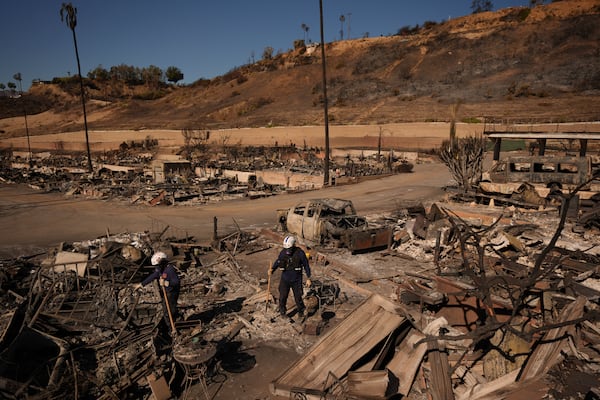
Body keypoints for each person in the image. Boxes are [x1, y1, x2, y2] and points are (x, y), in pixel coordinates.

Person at [269, 235, 312, 318]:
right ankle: (282, 312)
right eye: (286, 249)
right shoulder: (283, 253)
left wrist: (308, 278)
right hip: (285, 279)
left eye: (289, 249)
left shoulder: (300, 253)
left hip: (296, 280)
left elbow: (306, 266)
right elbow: (278, 261)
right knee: (282, 297)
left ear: (293, 246)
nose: (288, 251)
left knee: (298, 297)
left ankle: (301, 311)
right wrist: (272, 269)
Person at [135, 251, 181, 328]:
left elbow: (176, 282)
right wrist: (142, 284)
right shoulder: (160, 269)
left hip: (172, 292)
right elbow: (153, 276)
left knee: (169, 310)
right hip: (166, 292)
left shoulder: (170, 269)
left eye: (157, 265)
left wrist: (167, 283)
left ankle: (173, 327)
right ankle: (170, 325)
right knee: (165, 309)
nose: (157, 267)